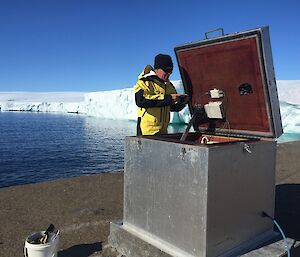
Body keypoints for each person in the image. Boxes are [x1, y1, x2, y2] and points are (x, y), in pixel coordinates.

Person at [134, 54, 188, 135]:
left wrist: (182, 102)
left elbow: (172, 108)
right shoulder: (144, 82)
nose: (168, 74)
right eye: (166, 70)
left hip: (163, 132)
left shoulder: (169, 86)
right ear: (156, 69)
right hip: (146, 132)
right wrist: (169, 98)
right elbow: (140, 101)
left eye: (170, 71)